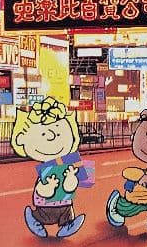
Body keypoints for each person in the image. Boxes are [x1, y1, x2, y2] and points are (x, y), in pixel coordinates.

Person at [11, 96, 91, 239]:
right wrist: (50, 186)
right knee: (44, 214)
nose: (51, 137)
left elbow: (72, 187)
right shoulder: (47, 170)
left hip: (65, 204)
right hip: (46, 206)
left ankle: (67, 225)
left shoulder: (67, 162)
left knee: (67, 212)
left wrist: (71, 177)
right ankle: (35, 220)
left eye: (59, 133)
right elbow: (41, 190)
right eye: (42, 134)